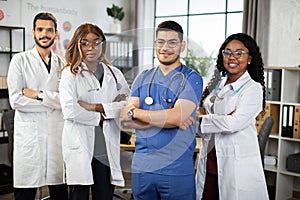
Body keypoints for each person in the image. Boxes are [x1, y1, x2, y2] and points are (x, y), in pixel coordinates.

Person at [120, 20, 203, 200]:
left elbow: (175, 118)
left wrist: (136, 112)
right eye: (160, 42)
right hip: (143, 167)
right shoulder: (143, 78)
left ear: (182, 46)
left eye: (172, 42)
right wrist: (164, 117)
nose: (165, 47)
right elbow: (126, 119)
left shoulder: (192, 78)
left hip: (175, 168)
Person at [59, 23, 130, 200]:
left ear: (102, 44)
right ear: (77, 45)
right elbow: (70, 110)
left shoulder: (114, 74)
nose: (91, 48)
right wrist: (104, 113)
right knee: (79, 195)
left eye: (96, 42)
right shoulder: (70, 74)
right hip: (80, 144)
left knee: (105, 194)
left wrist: (98, 108)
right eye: (85, 43)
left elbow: (128, 104)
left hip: (105, 147)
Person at [195, 33, 269, 200]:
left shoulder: (253, 89)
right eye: (227, 52)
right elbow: (203, 110)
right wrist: (220, 118)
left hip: (235, 162)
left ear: (249, 58)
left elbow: (232, 124)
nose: (232, 57)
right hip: (210, 157)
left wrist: (204, 119)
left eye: (239, 53)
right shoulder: (217, 84)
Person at [7, 12, 68, 200]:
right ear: (33, 32)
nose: (45, 34)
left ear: (56, 34)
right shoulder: (20, 60)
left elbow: (66, 101)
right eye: (40, 29)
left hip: (56, 135)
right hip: (30, 136)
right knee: (25, 191)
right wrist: (53, 102)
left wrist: (37, 95)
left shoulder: (63, 63)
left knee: (59, 190)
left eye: (50, 30)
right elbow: (16, 100)